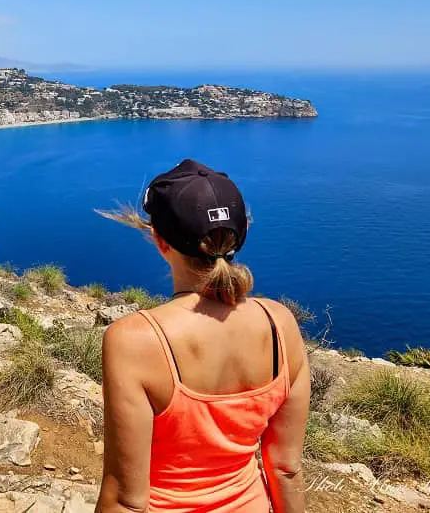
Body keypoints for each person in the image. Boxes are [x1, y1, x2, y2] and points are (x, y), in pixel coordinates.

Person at [96, 159, 309, 513]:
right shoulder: (280, 324)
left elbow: (125, 501)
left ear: (159, 240)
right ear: (239, 236)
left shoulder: (135, 341)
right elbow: (286, 469)